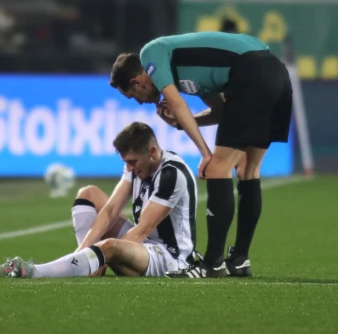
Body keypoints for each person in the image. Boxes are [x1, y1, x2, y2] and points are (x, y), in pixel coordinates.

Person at [109, 31, 293, 278]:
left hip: (251, 74)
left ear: (138, 82)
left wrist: (206, 154)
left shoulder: (150, 53)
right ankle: (239, 259)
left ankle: (212, 263)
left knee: (217, 167)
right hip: (277, 75)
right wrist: (181, 124)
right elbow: (222, 112)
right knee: (248, 169)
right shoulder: (196, 73)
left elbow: (177, 103)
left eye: (132, 96)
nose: (139, 102)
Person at [0, 122, 198, 279]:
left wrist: (101, 255)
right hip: (144, 246)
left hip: (169, 257)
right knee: (88, 193)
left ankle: (31, 271)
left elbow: (142, 230)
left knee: (110, 247)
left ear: (152, 152)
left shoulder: (171, 174)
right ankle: (84, 263)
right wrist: (84, 253)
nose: (130, 168)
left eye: (133, 162)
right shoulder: (136, 166)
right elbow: (111, 210)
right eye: (126, 162)